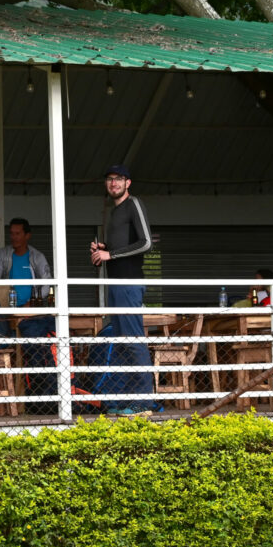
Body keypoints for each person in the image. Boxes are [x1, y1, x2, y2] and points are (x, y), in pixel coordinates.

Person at [90, 163, 160, 414]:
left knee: (133, 340)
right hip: (115, 283)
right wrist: (101, 251)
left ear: (128, 182)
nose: (113, 183)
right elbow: (118, 249)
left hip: (129, 283)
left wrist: (112, 253)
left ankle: (142, 403)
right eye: (109, 179)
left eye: (119, 179)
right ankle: (125, 401)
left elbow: (147, 243)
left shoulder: (134, 204)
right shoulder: (114, 212)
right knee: (120, 342)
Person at [0, 218, 55, 413]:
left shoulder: (37, 256)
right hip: (8, 312)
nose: (14, 237)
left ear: (27, 235)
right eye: (12, 233)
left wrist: (32, 302)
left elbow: (47, 283)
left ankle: (39, 387)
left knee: (36, 345)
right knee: (10, 346)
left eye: (18, 233)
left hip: (32, 313)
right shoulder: (3, 255)